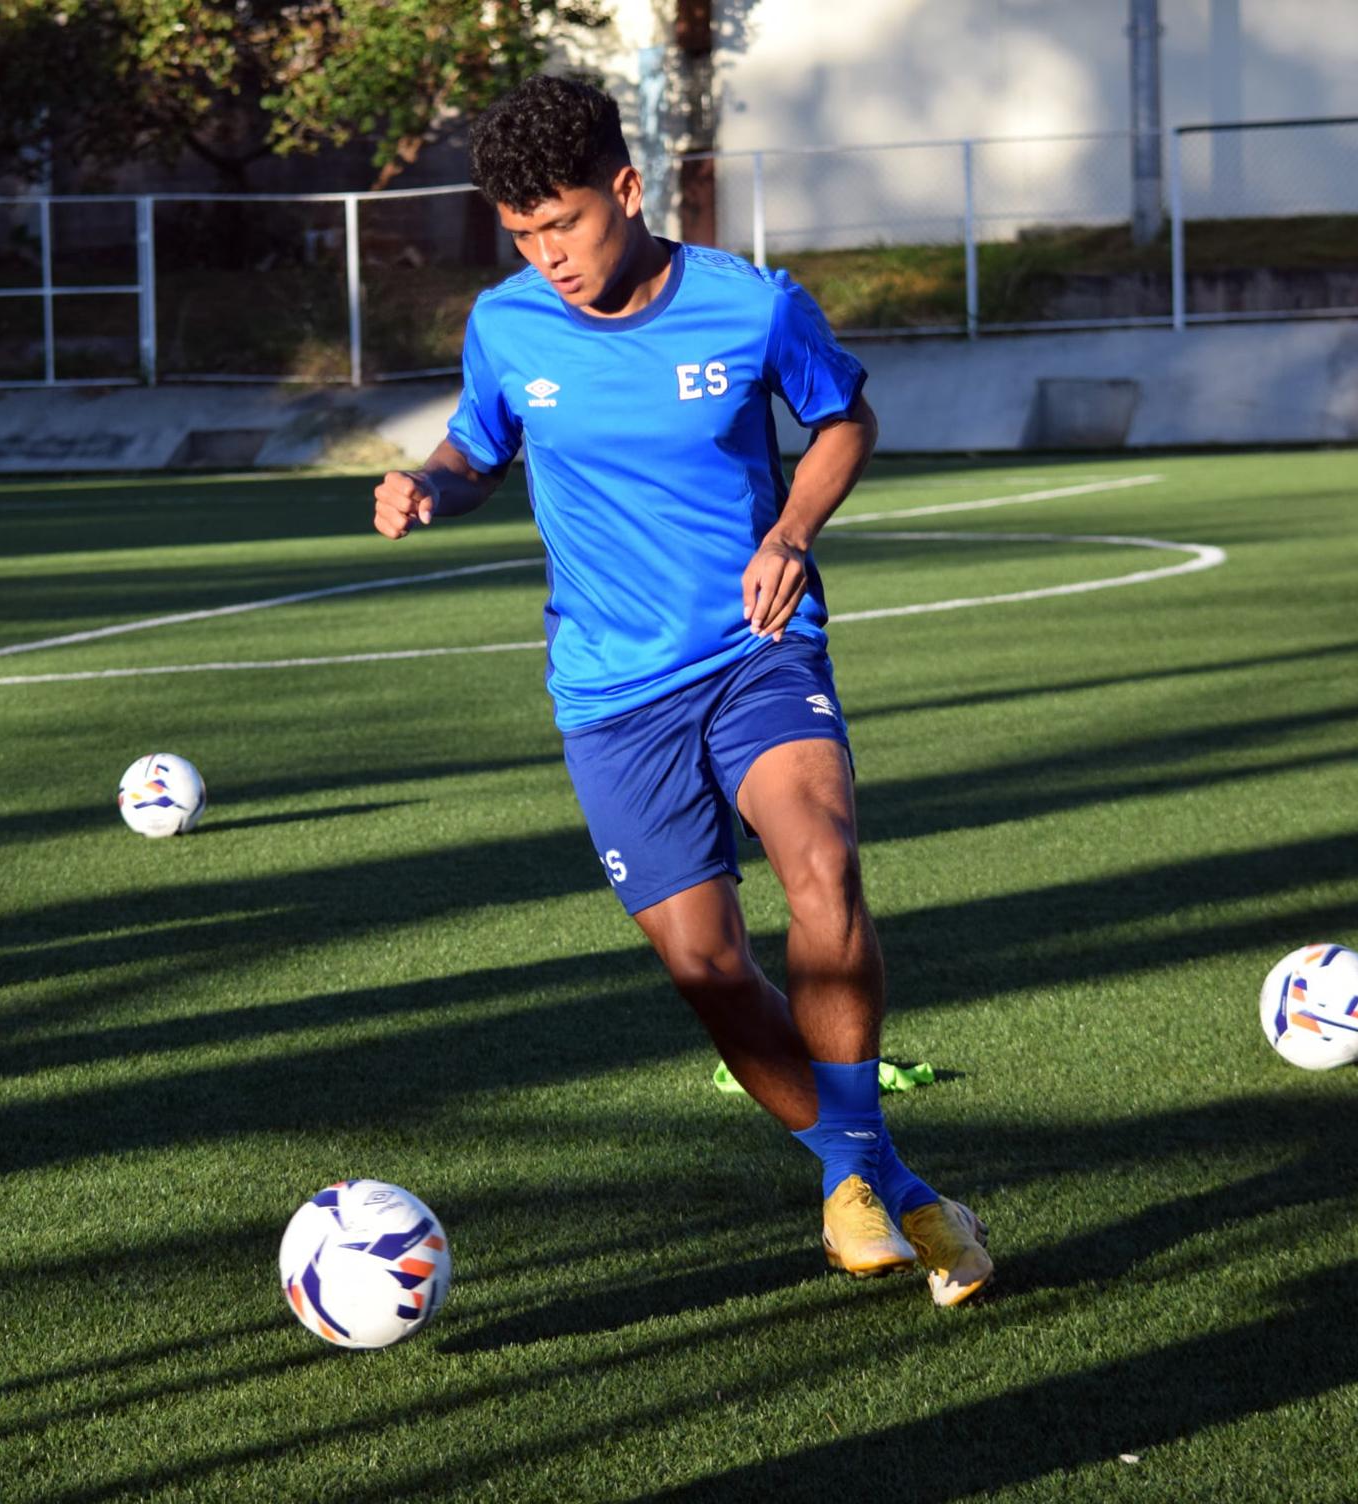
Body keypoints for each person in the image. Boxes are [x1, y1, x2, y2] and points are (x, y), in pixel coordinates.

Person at [370, 73, 992, 1306]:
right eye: (523, 235)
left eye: (565, 224)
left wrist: (793, 532)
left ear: (626, 188)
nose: (548, 255)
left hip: (754, 649)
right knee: (706, 969)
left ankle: (852, 1169)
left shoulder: (750, 306)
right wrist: (429, 484)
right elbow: (478, 444)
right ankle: (889, 1185)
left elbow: (843, 421)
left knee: (818, 857)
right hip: (609, 694)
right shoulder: (505, 326)